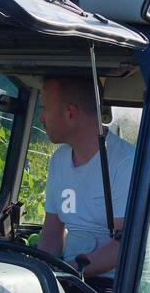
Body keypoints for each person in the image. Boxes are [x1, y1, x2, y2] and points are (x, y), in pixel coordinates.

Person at [35, 75, 136, 278]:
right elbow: (52, 234)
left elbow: (124, 247)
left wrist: (64, 272)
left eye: (45, 109)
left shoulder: (125, 163)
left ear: (70, 113)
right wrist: (38, 273)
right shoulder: (59, 160)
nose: (41, 118)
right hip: (69, 281)